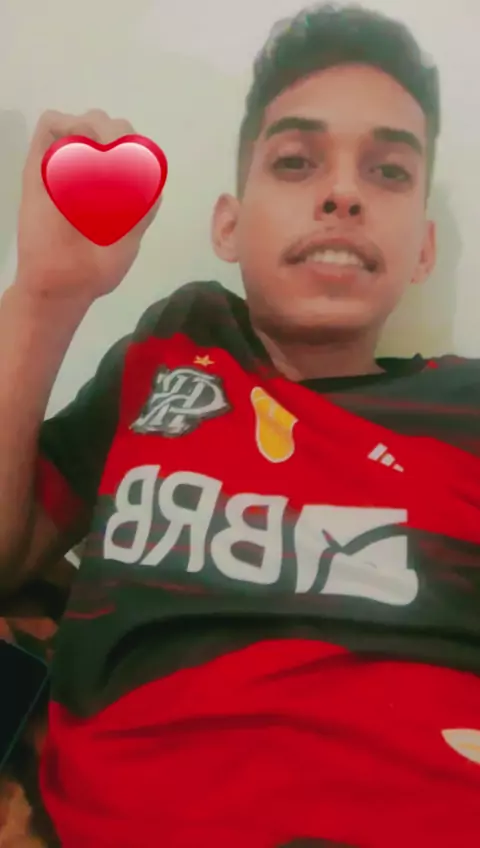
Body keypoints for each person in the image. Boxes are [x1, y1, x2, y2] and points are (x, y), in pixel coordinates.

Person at [1, 3, 480, 846]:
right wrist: (46, 292)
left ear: (424, 251)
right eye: (295, 161)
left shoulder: (466, 411)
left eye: (389, 172)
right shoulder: (174, 348)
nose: (342, 193)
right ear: (227, 225)